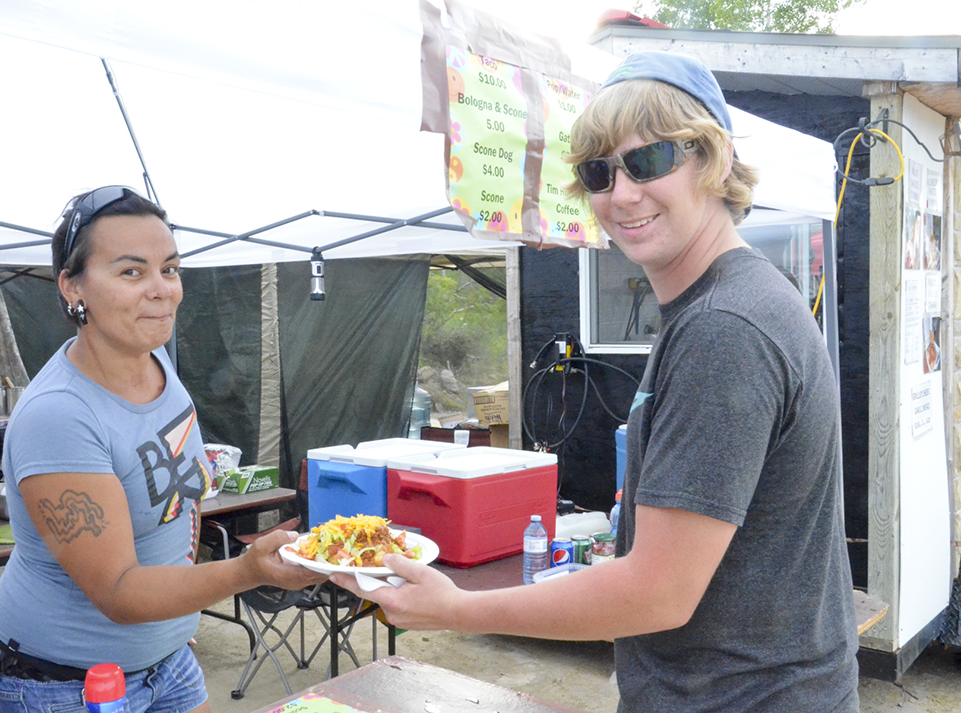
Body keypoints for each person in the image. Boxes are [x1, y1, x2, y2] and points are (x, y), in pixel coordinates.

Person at [332, 52, 859, 711]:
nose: (622, 193)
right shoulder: (728, 303)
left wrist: (454, 607)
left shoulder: (726, 327)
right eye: (598, 172)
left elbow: (658, 591)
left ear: (715, 160)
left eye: (651, 161)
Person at [0, 186, 326, 713]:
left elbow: (179, 506)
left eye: (169, 269)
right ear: (72, 287)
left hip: (165, 658)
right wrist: (245, 571)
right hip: (67, 684)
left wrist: (177, 611)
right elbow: (119, 592)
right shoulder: (59, 416)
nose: (162, 290)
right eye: (131, 272)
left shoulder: (156, 360)